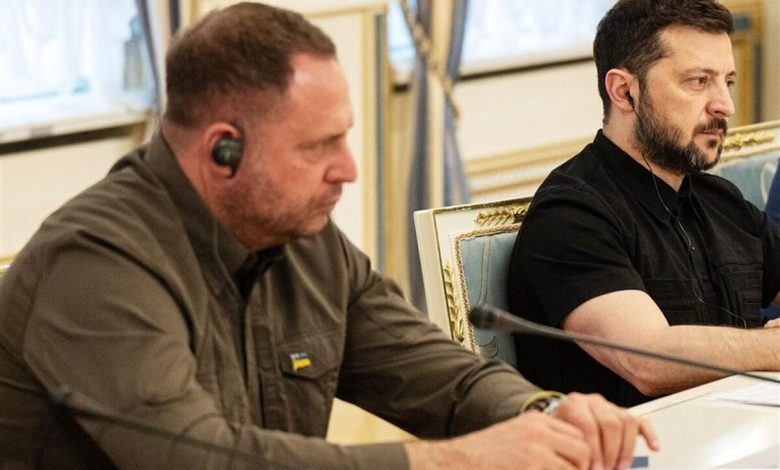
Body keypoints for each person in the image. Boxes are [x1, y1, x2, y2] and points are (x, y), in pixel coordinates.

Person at [0, 3, 657, 469]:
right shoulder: (94, 266)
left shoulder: (303, 239)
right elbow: (199, 459)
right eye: (319, 146)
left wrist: (543, 414)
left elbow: (437, 375)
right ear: (223, 150)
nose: (348, 169)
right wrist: (453, 461)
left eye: (344, 137)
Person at [507, 0, 780, 408]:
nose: (726, 105)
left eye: (727, 81)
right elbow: (650, 360)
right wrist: (771, 347)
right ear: (624, 91)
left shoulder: (721, 201)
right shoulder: (571, 215)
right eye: (699, 82)